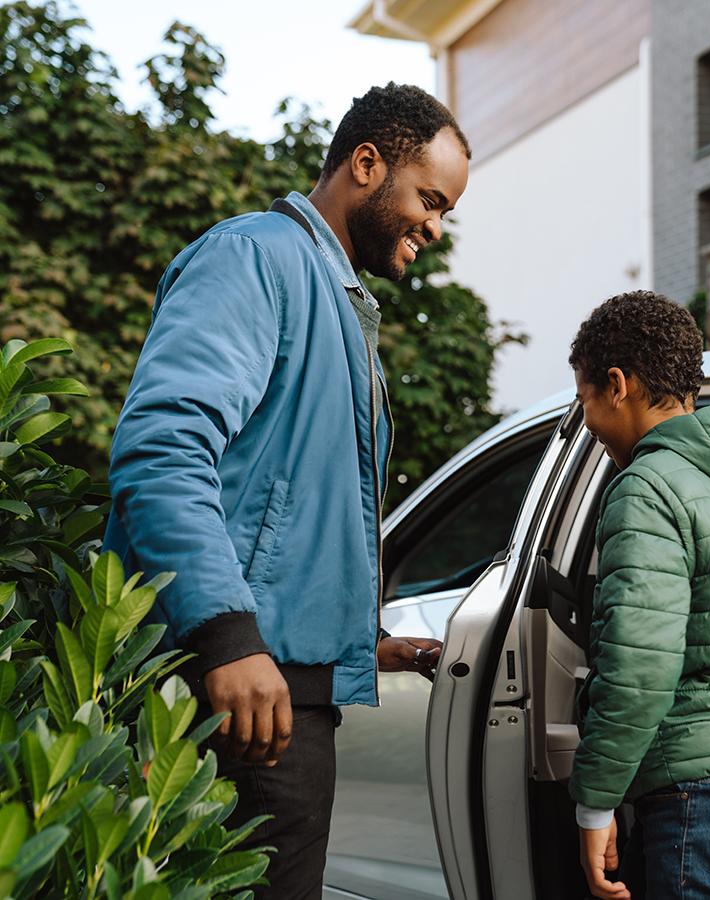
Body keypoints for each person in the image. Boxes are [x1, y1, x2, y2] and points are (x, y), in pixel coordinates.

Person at [102, 83, 470, 900]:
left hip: (282, 693)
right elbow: (162, 451)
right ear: (366, 164)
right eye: (430, 200)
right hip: (222, 694)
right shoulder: (255, 257)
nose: (436, 228)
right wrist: (229, 635)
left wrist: (351, 636)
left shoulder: (336, 299)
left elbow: (284, 500)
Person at [567, 291, 710, 900]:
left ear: (616, 384)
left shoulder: (646, 486)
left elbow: (638, 660)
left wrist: (594, 805)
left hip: (697, 784)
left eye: (585, 398)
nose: (588, 421)